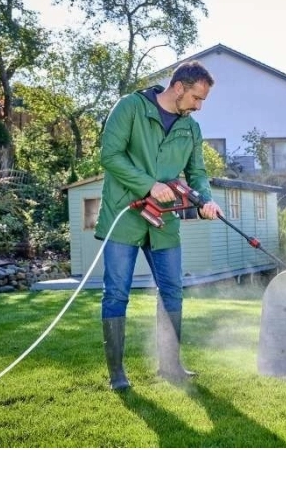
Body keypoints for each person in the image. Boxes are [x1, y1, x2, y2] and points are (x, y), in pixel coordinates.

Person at [94, 60, 223, 391]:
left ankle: (170, 366)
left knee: (172, 291)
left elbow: (197, 173)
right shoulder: (131, 108)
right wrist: (148, 185)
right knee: (116, 292)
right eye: (196, 97)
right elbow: (110, 155)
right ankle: (117, 374)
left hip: (163, 220)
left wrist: (205, 200)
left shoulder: (190, 129)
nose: (199, 106)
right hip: (124, 214)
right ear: (179, 87)